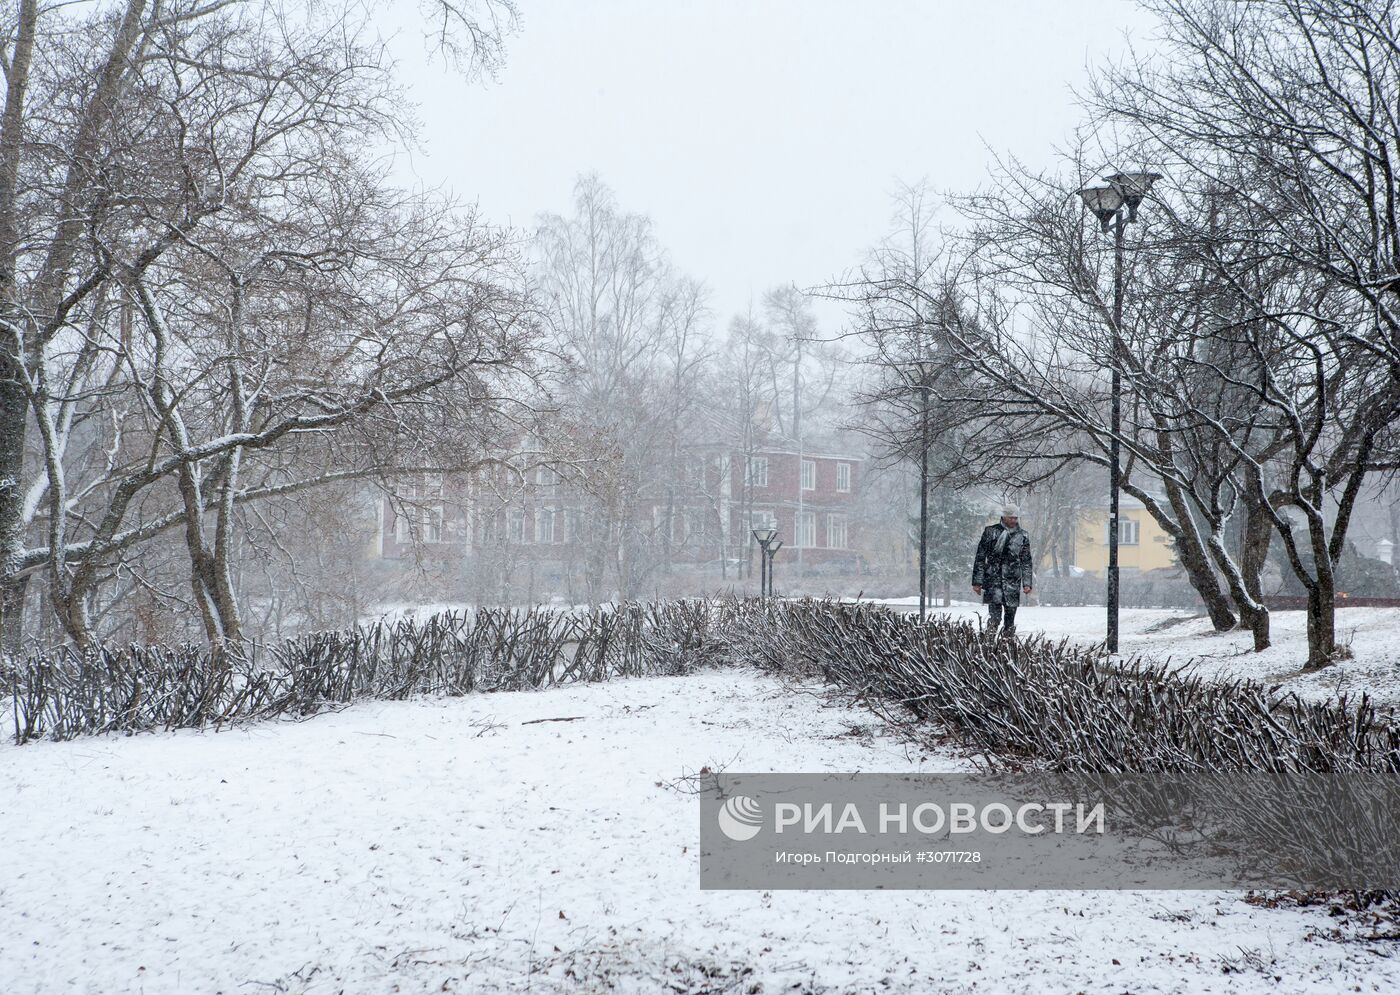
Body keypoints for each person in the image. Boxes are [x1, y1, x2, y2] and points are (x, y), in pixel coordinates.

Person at [971, 503, 1034, 637]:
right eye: (1011, 517)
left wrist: (1027, 583)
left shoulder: (1023, 536)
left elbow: (1026, 561)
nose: (1014, 520)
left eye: (1016, 518)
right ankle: (988, 646)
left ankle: (1007, 648)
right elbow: (980, 558)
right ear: (1004, 517)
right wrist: (977, 582)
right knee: (994, 620)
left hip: (1012, 581)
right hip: (994, 580)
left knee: (1010, 621)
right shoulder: (990, 532)